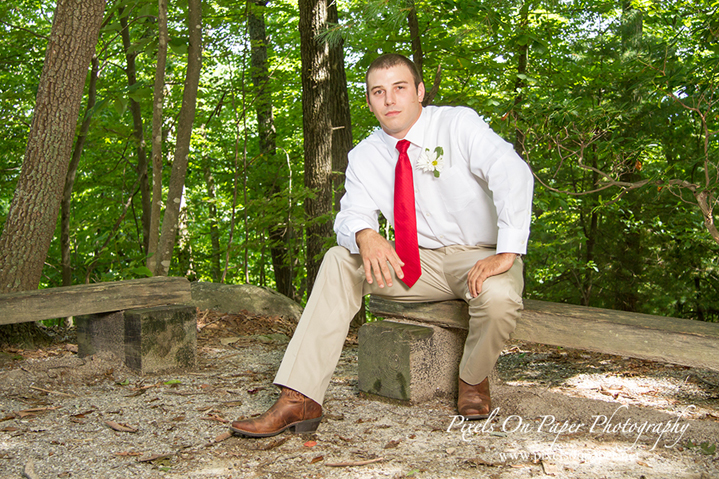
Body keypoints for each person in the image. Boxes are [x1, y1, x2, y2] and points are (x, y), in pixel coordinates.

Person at [230, 53, 533, 438]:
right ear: (370, 101)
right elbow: (350, 214)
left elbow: (512, 172)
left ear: (420, 92)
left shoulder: (458, 125)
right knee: (340, 259)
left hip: (480, 257)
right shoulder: (365, 155)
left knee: (500, 299)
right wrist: (365, 234)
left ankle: (472, 378)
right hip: (413, 263)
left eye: (399, 88)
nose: (390, 100)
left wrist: (507, 250)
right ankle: (300, 397)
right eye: (378, 92)